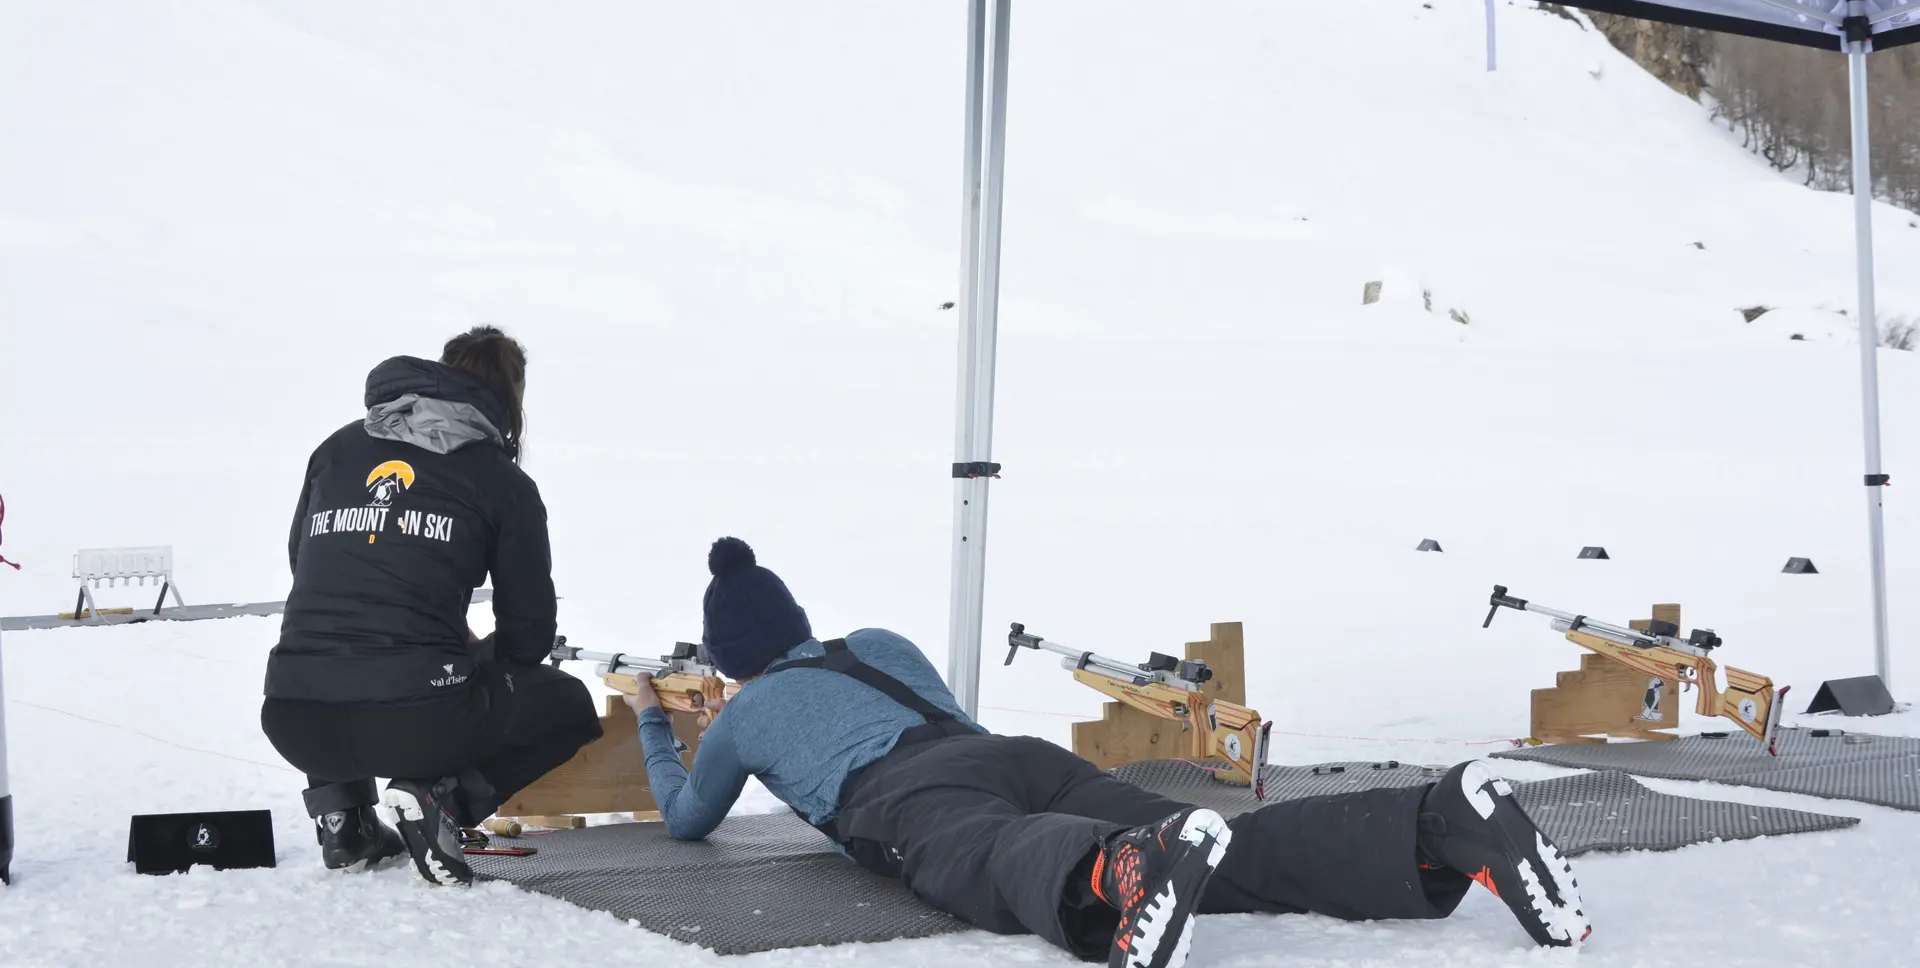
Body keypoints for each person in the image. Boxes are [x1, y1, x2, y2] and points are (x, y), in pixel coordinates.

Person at [623, 537, 1588, 968]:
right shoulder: (875, 644)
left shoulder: (747, 715)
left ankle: (1115, 874)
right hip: (1008, 754)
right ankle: (1435, 823)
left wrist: (655, 721)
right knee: (1227, 846)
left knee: (989, 857)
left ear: (733, 664)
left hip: (906, 797)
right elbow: (946, 722)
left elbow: (686, 821)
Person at [260, 326, 602, 886]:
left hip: (293, 715)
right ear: (510, 397)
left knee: (337, 656)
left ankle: (343, 817)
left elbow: (306, 565)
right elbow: (530, 633)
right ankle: (444, 799)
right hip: (419, 723)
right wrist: (475, 656)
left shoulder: (337, 449)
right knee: (568, 704)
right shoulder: (500, 479)